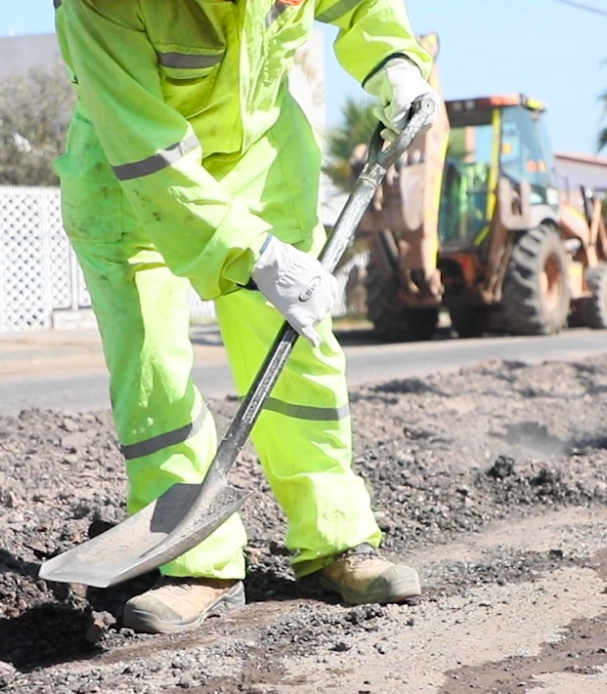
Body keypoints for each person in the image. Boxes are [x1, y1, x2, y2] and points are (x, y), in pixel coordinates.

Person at [52, 1, 436, 634]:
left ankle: (335, 540)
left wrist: (395, 63)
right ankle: (196, 564)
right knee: (153, 368)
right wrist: (249, 253)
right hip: (134, 173)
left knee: (301, 348)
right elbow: (146, 149)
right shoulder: (102, 6)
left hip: (263, 158)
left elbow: (362, 4)